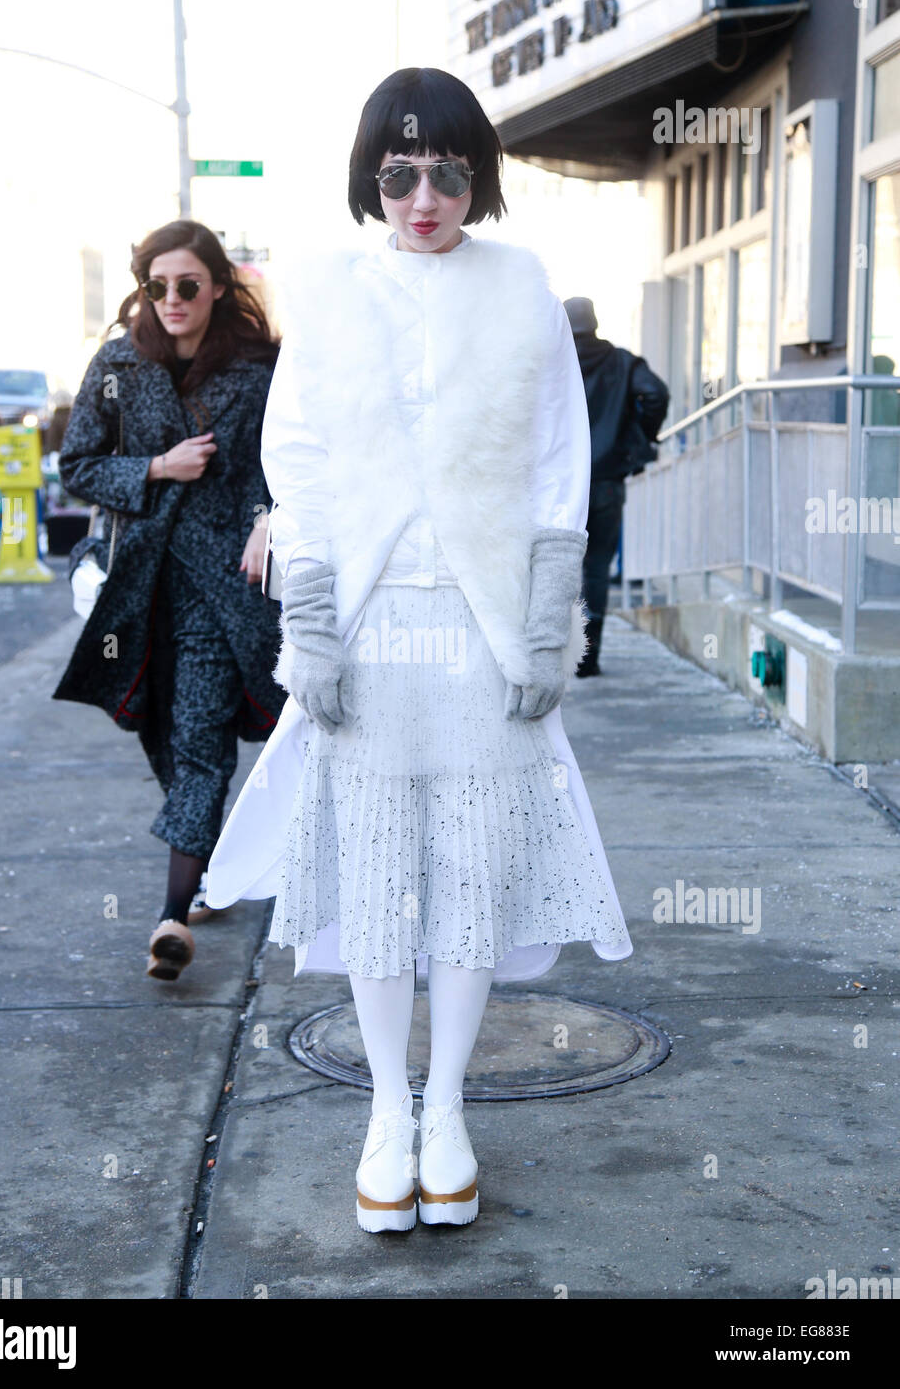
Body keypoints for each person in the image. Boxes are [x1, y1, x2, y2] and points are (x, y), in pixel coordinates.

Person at [205, 66, 634, 1235]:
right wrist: (311, 626)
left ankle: (448, 1110)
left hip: (487, 627)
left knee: (470, 880)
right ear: (371, 179)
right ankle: (385, 1111)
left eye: (449, 172)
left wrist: (548, 626)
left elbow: (559, 465)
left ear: (476, 178)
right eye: (401, 175)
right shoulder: (333, 291)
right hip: (371, 624)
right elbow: (294, 459)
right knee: (382, 877)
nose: (426, 197)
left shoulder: (523, 285)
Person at [52, 219, 284, 980]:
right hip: (138, 582)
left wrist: (264, 521)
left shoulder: (257, 368)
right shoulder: (117, 363)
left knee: (202, 736)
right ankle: (209, 859)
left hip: (223, 585)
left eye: (189, 284)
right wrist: (156, 468)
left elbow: (278, 468)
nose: (173, 299)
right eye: (158, 286)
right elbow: (77, 463)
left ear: (218, 285)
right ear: (143, 289)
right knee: (159, 725)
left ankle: (171, 918)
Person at [563, 297, 669, 677]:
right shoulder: (622, 362)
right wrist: (639, 438)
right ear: (594, 323)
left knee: (551, 566)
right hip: (606, 481)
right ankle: (587, 659)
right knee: (596, 570)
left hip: (559, 484)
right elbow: (655, 393)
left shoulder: (551, 359)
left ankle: (553, 653)